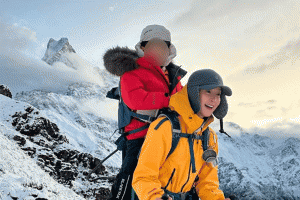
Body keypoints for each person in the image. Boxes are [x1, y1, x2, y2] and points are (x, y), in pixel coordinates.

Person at [103, 25, 187, 200]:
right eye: (153, 45)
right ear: (142, 47)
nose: (159, 49)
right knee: (130, 181)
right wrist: (171, 101)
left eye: (163, 45)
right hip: (139, 139)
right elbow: (135, 99)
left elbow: (185, 102)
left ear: (169, 49)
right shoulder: (131, 72)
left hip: (170, 139)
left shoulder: (173, 75)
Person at [132, 69, 232, 200]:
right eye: (208, 91)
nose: (214, 99)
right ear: (194, 93)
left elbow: (207, 183)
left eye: (218, 94)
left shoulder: (209, 137)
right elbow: (143, 176)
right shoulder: (165, 127)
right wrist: (155, 197)